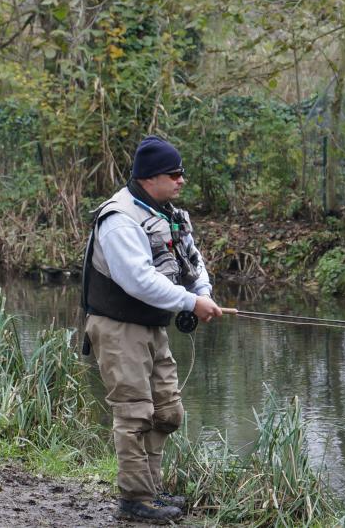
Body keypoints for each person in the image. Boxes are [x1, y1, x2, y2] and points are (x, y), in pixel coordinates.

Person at [80, 135, 223, 523]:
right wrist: (190, 302)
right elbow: (138, 281)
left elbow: (192, 260)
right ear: (149, 177)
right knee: (133, 414)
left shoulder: (168, 212)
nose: (181, 180)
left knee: (167, 412)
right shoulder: (118, 219)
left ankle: (151, 492)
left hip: (151, 326)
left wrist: (202, 292)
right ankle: (135, 499)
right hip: (117, 328)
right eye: (174, 174)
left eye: (182, 173)